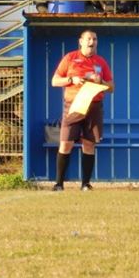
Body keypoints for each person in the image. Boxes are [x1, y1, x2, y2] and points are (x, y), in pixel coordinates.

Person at [50, 30, 114, 191]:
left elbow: (111, 87)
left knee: (89, 144)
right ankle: (59, 184)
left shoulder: (101, 62)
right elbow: (55, 81)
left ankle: (85, 184)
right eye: (89, 39)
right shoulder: (70, 58)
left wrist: (101, 82)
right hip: (74, 106)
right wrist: (72, 79)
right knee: (66, 143)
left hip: (94, 106)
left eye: (95, 39)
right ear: (81, 41)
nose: (92, 42)